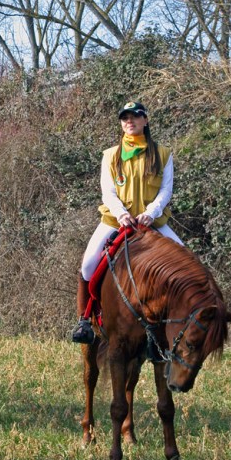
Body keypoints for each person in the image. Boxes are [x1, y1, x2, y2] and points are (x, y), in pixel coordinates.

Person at [71, 101, 183, 344]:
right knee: (88, 265)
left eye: (135, 116)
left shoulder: (163, 154)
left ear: (146, 120)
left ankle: (180, 323)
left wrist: (151, 213)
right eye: (125, 118)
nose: (129, 121)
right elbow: (108, 191)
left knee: (185, 259)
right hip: (115, 221)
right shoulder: (110, 155)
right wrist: (121, 214)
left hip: (151, 222)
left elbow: (166, 190)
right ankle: (84, 320)